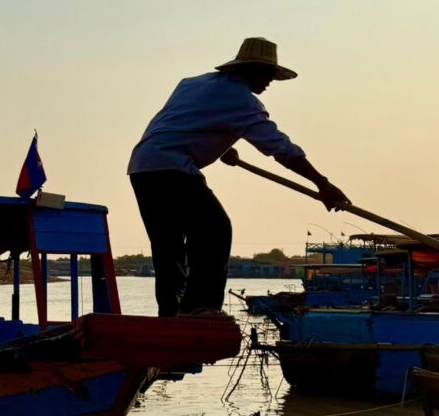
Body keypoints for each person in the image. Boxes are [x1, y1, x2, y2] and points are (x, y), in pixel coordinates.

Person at [128, 36, 349, 317]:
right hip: (172, 167)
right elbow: (281, 148)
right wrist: (322, 184)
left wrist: (221, 143)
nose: (269, 82)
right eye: (267, 75)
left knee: (167, 246)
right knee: (215, 229)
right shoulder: (243, 101)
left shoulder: (193, 83)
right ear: (250, 70)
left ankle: (171, 315)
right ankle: (200, 307)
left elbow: (187, 121)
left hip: (142, 167)